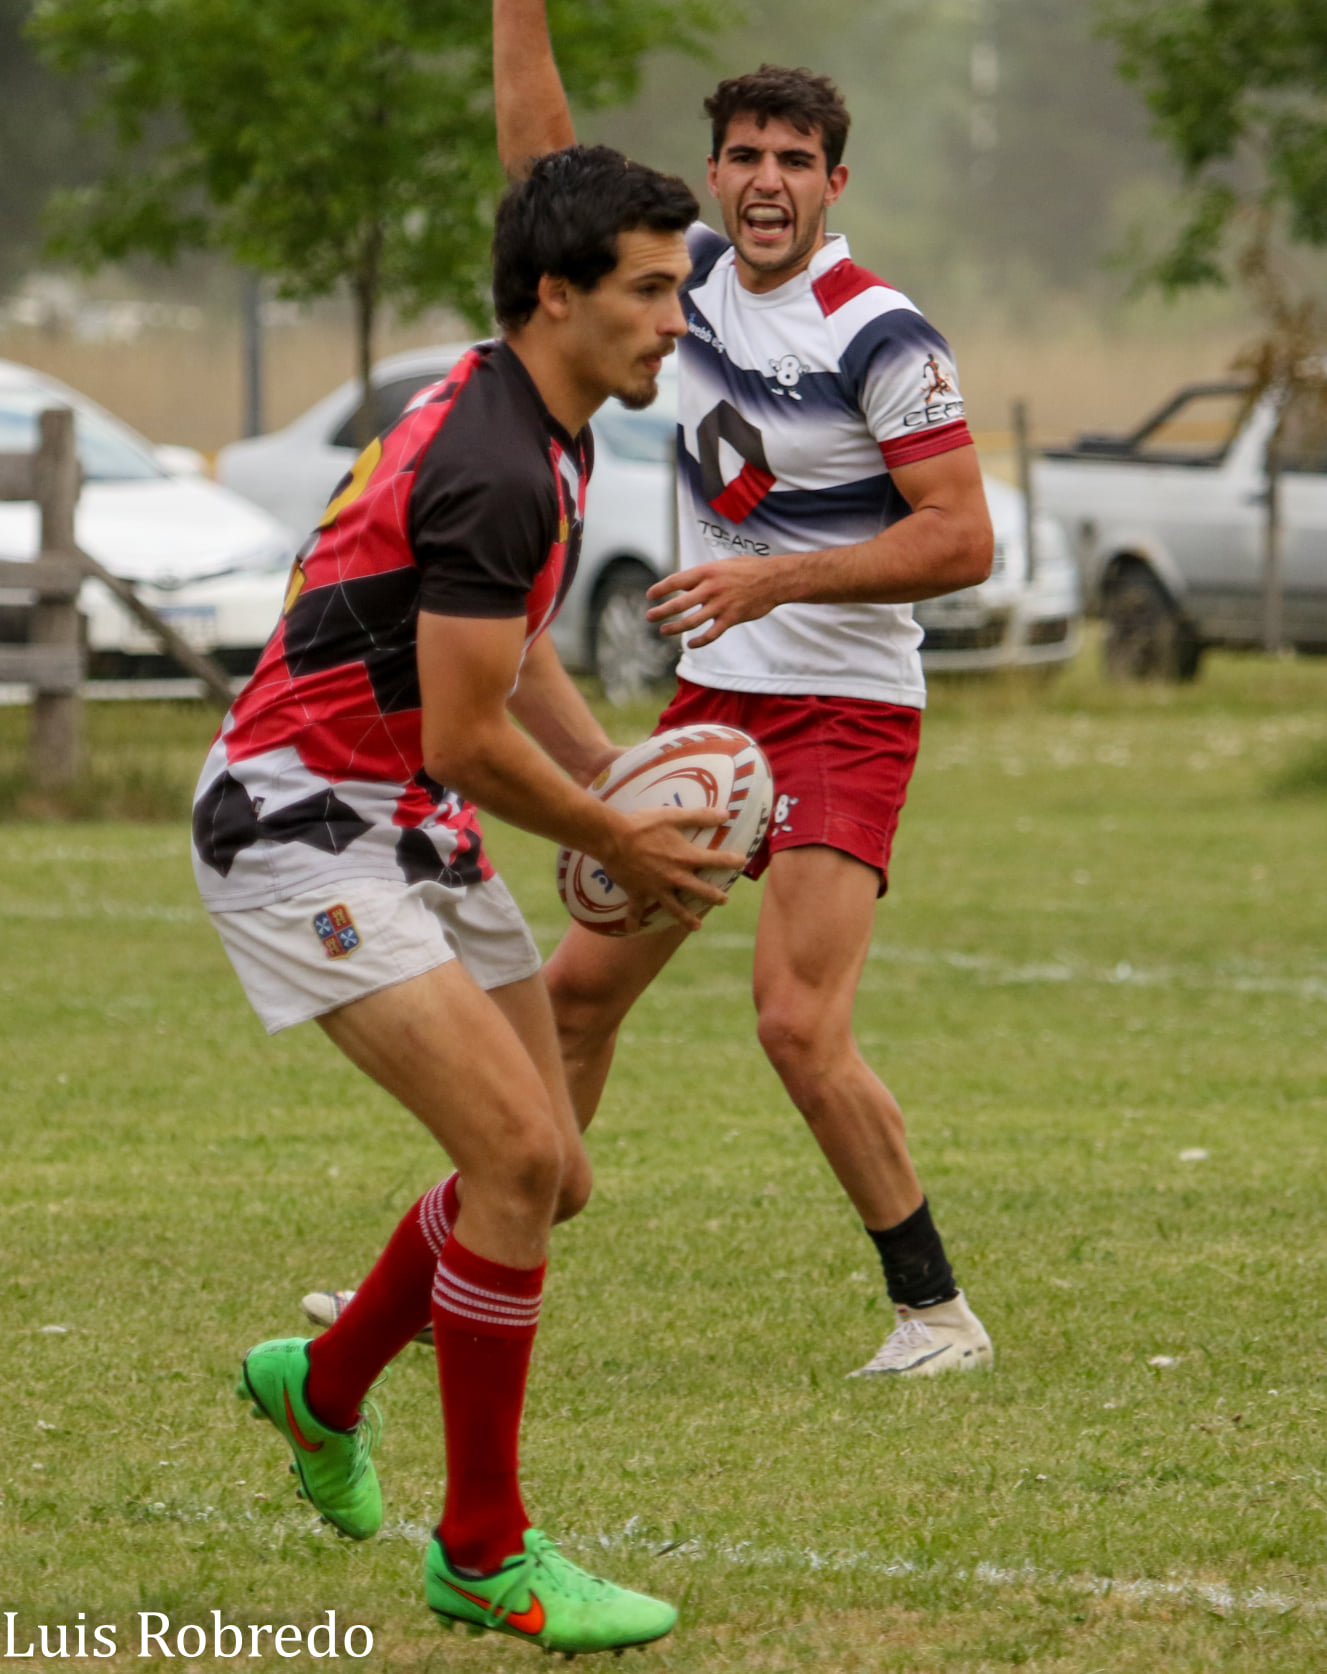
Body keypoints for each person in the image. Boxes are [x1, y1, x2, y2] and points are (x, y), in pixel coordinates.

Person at [307, 4, 997, 1379]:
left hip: (848, 710)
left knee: (798, 1023)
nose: (764, 181)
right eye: (744, 153)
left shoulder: (883, 334)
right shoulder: (676, 281)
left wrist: (775, 582)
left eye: (795, 159)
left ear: (833, 184)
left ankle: (934, 1310)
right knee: (574, 1001)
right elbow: (542, 174)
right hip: (713, 709)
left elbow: (963, 538)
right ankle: (472, 1264)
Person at [193, 143, 745, 1655]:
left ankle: (325, 1382)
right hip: (301, 824)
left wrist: (609, 766)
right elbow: (460, 730)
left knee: (548, 1172)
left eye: (678, 287)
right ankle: (484, 1550)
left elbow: (504, 649)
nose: (674, 319)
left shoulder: (534, 414)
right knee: (509, 1155)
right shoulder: (505, 456)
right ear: (555, 296)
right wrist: (617, 840)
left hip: (402, 819)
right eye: (648, 289)